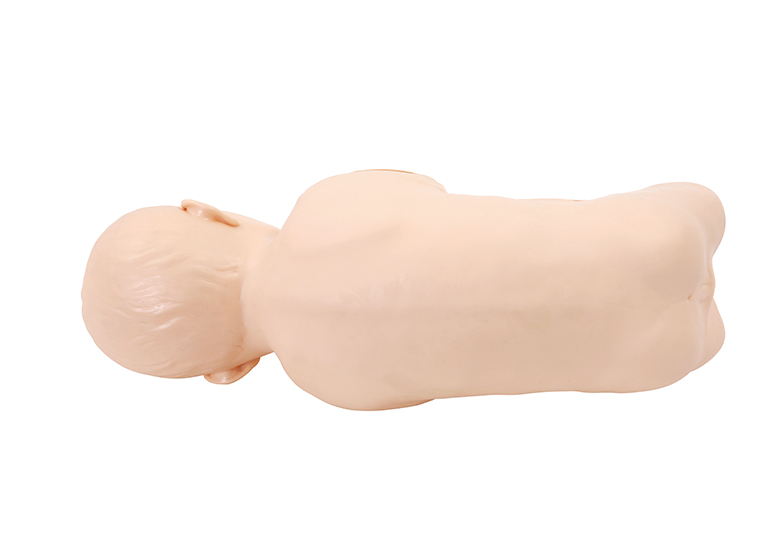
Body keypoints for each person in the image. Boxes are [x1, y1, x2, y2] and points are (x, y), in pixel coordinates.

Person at [82, 169, 725, 410]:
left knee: (679, 338)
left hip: (660, 359)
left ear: (229, 370)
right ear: (210, 213)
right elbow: (420, 186)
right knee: (693, 204)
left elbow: (422, 384)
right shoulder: (325, 204)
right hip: (661, 238)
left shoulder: (331, 386)